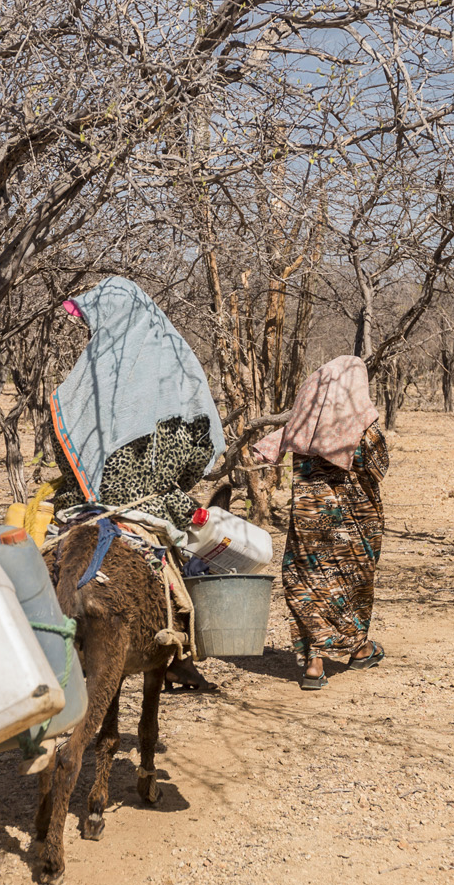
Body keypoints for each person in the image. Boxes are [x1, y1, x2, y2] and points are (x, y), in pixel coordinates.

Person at [251, 356, 388, 691]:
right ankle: (359, 648)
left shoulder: (302, 426)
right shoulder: (365, 428)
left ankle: (314, 664)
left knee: (307, 583)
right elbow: (380, 467)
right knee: (352, 584)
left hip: (309, 527)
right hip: (354, 529)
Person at [47, 277, 224, 528]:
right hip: (158, 510)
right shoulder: (187, 378)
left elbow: (65, 444)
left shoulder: (89, 382)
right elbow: (200, 453)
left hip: (82, 506)